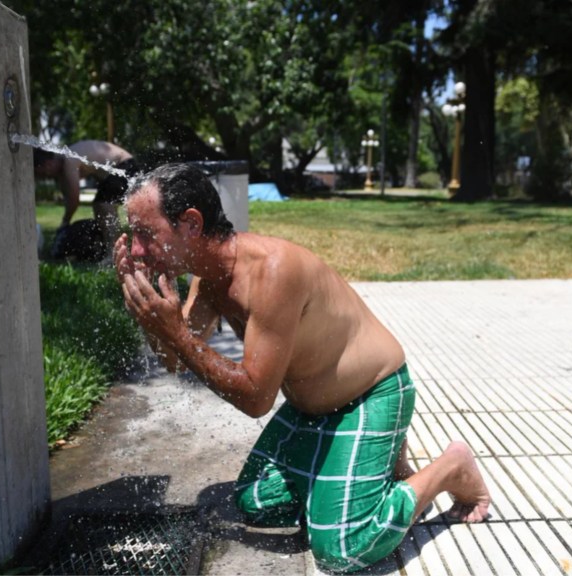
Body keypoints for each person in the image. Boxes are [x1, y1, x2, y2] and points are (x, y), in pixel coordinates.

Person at [113, 163, 490, 573]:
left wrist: (176, 333)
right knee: (255, 501)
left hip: (372, 392)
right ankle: (378, 469)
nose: (136, 249)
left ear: (190, 224)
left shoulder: (272, 272)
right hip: (315, 410)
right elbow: (173, 358)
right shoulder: (209, 278)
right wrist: (150, 318)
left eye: (146, 234)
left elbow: (257, 398)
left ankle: (451, 468)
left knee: (341, 548)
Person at [33, 139, 141, 242]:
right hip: (122, 166)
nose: (46, 177)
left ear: (48, 164)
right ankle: (108, 246)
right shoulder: (64, 161)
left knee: (103, 204)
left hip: (124, 165)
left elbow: (74, 199)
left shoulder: (68, 160)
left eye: (43, 174)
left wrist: (65, 221)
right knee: (100, 206)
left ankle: (112, 251)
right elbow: (67, 193)